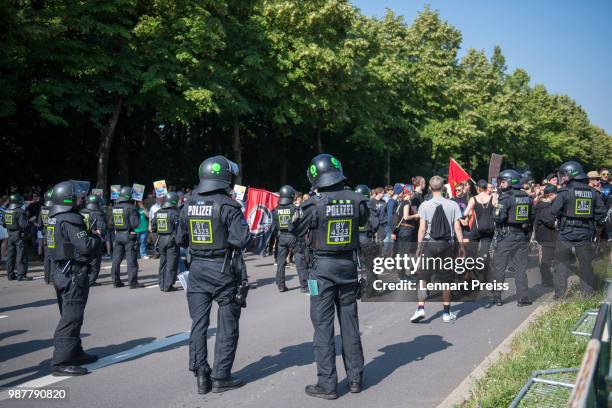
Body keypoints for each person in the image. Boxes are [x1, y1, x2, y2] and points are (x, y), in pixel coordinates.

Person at [289, 153, 368, 399]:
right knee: (350, 324)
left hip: (319, 271)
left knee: (322, 326)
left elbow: (294, 229)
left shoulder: (313, 203)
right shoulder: (358, 199)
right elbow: (366, 223)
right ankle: (355, 380)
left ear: (315, 176)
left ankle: (328, 384)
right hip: (348, 267)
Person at [177, 155, 250, 394]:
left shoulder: (188, 204)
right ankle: (221, 376)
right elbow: (241, 239)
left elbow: (181, 239)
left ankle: (201, 375)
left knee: (198, 324)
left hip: (197, 269)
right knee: (227, 325)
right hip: (224, 270)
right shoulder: (228, 205)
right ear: (224, 177)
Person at [48, 181, 101, 376]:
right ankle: (60, 362)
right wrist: (96, 237)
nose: (82, 198)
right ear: (68, 199)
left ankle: (75, 352)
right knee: (71, 317)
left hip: (62, 271)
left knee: (72, 314)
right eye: (78, 196)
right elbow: (85, 246)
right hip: (73, 273)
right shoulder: (71, 219)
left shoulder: (55, 217)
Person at [410, 176, 465, 323]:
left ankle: (420, 308)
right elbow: (457, 227)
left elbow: (422, 229)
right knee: (446, 280)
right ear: (443, 188)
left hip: (429, 244)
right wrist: (461, 247)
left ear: (429, 187)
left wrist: (418, 248)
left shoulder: (424, 205)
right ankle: (446, 313)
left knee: (423, 277)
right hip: (447, 245)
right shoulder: (453, 205)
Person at [551, 161, 606, 298]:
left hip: (566, 233)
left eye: (564, 175)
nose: (562, 178)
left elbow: (554, 211)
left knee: (561, 264)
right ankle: (587, 295)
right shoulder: (594, 192)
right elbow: (601, 215)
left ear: (571, 174)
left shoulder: (564, 192)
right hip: (585, 233)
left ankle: (560, 296)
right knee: (586, 265)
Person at [490, 169, 534, 306]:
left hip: (506, 237)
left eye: (502, 182)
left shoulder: (506, 197)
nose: (500, 185)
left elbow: (498, 217)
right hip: (521, 236)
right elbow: (532, 216)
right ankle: (523, 298)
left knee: (499, 268)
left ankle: (497, 297)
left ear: (510, 182)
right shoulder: (527, 197)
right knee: (520, 269)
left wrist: (495, 206)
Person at [463, 180, 497, 281]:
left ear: (478, 188)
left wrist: (469, 215)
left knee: (471, 252)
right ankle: (482, 275)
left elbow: (465, 213)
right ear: (486, 188)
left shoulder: (474, 199)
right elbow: (499, 210)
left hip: (476, 229)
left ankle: (468, 273)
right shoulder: (492, 198)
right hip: (489, 228)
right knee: (484, 252)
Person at [110, 186, 142, 288]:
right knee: (131, 259)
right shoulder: (131, 208)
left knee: (116, 260)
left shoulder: (115, 207)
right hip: (128, 235)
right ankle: (132, 282)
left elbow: (110, 223)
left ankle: (116, 281)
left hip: (118, 235)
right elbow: (135, 224)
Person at [273, 185, 300, 292]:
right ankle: (304, 285)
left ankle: (280, 285)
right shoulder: (295, 208)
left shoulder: (276, 209)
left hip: (281, 237)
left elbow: (275, 224)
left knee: (280, 262)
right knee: (300, 259)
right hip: (293, 236)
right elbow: (300, 222)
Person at [152, 192, 180, 292]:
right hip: (171, 239)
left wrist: (156, 241)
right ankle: (168, 285)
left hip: (161, 239)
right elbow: (179, 229)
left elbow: (154, 228)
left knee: (163, 262)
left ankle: (162, 283)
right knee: (171, 263)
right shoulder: (175, 213)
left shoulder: (158, 212)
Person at [2, 193, 31, 280]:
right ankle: (21, 275)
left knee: (11, 255)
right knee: (21, 255)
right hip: (19, 235)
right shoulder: (20, 211)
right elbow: (23, 225)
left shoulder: (6, 210)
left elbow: (3, 224)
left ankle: (10, 275)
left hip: (9, 235)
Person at [80, 195, 107, 286]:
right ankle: (91, 281)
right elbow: (101, 229)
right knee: (95, 261)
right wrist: (96, 232)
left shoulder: (81, 212)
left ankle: (83, 278)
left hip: (81, 239)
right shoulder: (97, 213)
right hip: (94, 240)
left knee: (84, 259)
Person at [534, 184, 557, 287]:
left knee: (549, 259)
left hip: (550, 236)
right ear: (551, 194)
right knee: (546, 260)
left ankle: (549, 280)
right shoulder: (544, 206)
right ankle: (547, 281)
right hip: (546, 237)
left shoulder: (547, 205)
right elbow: (550, 223)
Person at [40, 190, 54, 284]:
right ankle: (52, 279)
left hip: (45, 233)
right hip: (53, 232)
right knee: (53, 257)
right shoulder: (55, 208)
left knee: (47, 257)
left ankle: (46, 278)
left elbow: (39, 224)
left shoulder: (42, 209)